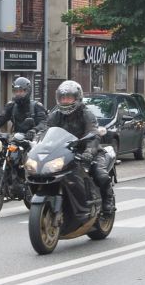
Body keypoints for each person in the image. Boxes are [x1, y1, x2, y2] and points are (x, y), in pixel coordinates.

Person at [37, 80, 115, 215]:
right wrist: (36, 144)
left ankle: (108, 200)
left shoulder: (86, 114)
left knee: (100, 174)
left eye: (69, 97)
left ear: (77, 98)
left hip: (87, 152)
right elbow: (45, 131)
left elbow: (93, 134)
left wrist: (89, 152)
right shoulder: (56, 115)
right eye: (63, 98)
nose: (65, 101)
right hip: (65, 153)